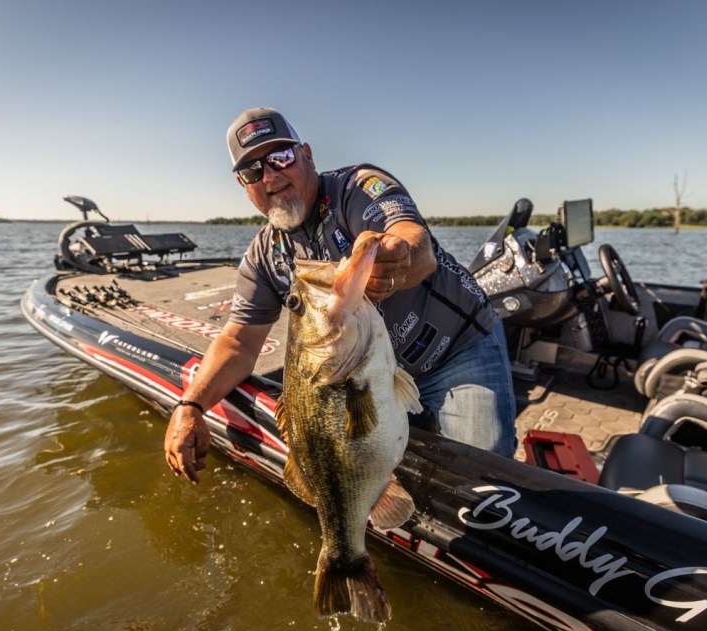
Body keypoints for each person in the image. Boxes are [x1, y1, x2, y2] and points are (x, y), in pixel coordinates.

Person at [164, 107, 516, 482]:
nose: (270, 175)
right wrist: (190, 405)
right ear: (243, 185)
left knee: (483, 482)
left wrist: (398, 259)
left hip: (457, 351)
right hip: (377, 379)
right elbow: (239, 341)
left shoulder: (357, 187)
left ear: (307, 155)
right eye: (252, 170)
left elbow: (415, 242)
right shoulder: (263, 256)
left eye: (280, 157)